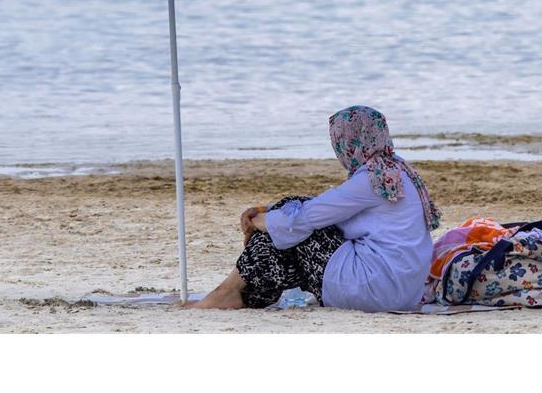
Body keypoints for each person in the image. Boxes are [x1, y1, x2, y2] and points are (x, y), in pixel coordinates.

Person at [186, 106, 442, 312]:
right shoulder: (396, 171)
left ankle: (227, 291)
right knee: (288, 224)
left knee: (290, 215)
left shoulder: (371, 180)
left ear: (350, 141)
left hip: (372, 288)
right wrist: (269, 212)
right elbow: (332, 211)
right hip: (404, 293)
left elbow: (308, 217)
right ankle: (242, 297)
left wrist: (259, 221)